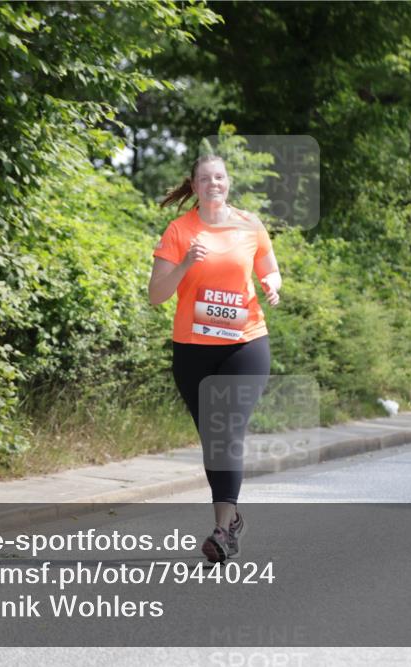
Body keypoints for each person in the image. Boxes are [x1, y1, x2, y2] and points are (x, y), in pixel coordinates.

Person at [148, 154, 281, 563]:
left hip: (245, 343)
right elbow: (156, 295)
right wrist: (187, 262)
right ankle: (234, 519)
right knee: (214, 439)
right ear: (194, 184)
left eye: (219, 177)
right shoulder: (179, 231)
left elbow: (270, 269)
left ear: (228, 182)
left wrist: (272, 287)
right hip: (193, 349)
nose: (213, 184)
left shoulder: (249, 224)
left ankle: (222, 530)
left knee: (226, 432)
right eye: (205, 178)